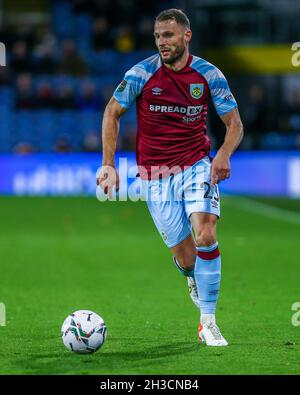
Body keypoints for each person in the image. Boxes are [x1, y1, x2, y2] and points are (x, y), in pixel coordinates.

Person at [97, 9, 243, 346]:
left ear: (186, 36)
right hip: (155, 175)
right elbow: (112, 112)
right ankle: (191, 275)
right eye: (158, 36)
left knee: (206, 233)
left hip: (196, 165)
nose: (163, 42)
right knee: (187, 257)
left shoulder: (208, 75)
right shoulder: (141, 73)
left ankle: (208, 321)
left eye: (169, 35)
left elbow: (234, 123)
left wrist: (222, 154)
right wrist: (108, 163)